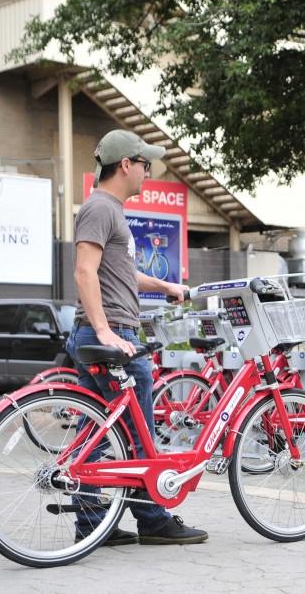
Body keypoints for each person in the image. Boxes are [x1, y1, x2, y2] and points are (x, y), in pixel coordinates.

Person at [67, 129, 208, 546]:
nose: (148, 171)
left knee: (93, 432)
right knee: (138, 431)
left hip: (104, 330)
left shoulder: (110, 210)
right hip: (110, 334)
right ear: (125, 164)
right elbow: (84, 271)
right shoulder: (100, 208)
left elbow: (121, 272)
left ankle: (93, 525)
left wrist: (164, 287)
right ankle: (152, 517)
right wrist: (106, 329)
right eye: (144, 164)